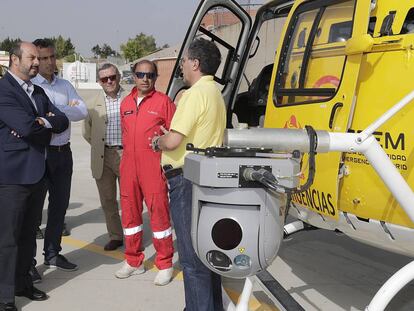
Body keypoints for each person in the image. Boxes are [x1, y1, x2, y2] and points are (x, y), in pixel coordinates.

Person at [152, 38, 226, 311]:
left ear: (195, 63)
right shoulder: (215, 93)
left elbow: (172, 142)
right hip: (206, 180)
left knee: (192, 261)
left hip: (186, 181)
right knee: (207, 257)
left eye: (184, 61)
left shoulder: (194, 94)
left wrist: (158, 142)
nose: (182, 65)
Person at [0, 41, 69, 311]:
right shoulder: (4, 91)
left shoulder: (38, 91)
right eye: (31, 57)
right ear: (14, 60)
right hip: (11, 178)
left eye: (37, 58)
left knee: (28, 235)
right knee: (7, 239)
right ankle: (5, 297)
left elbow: (62, 119)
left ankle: (22, 283)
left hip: (36, 174)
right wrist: (38, 124)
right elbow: (27, 129)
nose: (37, 62)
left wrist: (44, 122)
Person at [30, 38, 88, 278]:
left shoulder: (65, 85)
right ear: (35, 60)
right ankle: (28, 264)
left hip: (64, 154)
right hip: (40, 155)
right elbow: (35, 120)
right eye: (43, 58)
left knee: (59, 206)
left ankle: (53, 252)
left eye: (52, 57)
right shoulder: (31, 86)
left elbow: (82, 110)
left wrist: (55, 113)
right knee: (33, 212)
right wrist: (60, 114)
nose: (49, 62)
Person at [115, 60, 175, 286]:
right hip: (129, 167)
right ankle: (133, 261)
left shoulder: (163, 102)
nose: (145, 78)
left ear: (155, 77)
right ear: (134, 75)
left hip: (152, 168)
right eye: (140, 74)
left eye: (150, 75)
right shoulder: (125, 103)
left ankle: (165, 263)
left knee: (159, 215)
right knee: (130, 216)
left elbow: (174, 136)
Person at [82, 63, 125, 251]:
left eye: (112, 77)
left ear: (119, 77)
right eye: (104, 79)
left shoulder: (131, 98)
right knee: (108, 200)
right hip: (103, 156)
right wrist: (100, 147)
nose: (109, 82)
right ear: (99, 82)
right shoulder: (92, 103)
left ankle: (133, 234)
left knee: (130, 199)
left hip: (127, 154)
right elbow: (87, 132)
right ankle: (115, 236)